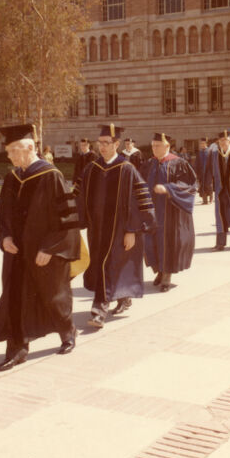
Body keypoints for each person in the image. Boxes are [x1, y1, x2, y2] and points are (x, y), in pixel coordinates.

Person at [0, 125, 80, 371]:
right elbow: (1, 215)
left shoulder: (51, 176)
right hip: (17, 254)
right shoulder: (12, 177)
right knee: (15, 298)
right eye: (8, 152)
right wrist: (4, 237)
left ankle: (68, 332)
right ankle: (17, 348)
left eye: (13, 150)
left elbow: (68, 220)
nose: (10, 156)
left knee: (53, 296)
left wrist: (49, 248)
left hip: (45, 253)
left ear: (29, 148)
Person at [74, 124, 155, 328]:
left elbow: (141, 201)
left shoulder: (127, 169)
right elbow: (78, 195)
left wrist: (132, 230)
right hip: (96, 229)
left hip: (120, 229)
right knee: (104, 264)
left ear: (117, 144)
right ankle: (122, 297)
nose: (102, 147)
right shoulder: (91, 168)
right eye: (99, 143)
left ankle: (99, 308)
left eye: (106, 143)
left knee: (109, 264)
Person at [140, 133, 196, 292]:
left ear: (167, 146)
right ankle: (159, 270)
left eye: (157, 145)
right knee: (152, 242)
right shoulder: (149, 163)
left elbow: (189, 185)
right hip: (152, 212)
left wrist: (168, 189)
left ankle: (166, 276)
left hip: (170, 213)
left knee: (168, 243)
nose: (154, 148)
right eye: (152, 145)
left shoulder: (178, 163)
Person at [195, 138, 212, 204]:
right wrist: (196, 171)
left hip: (208, 171)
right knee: (202, 185)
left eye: (203, 143)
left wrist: (212, 171)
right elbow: (196, 163)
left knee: (208, 184)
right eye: (201, 143)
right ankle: (205, 201)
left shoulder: (210, 151)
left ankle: (210, 195)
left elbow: (212, 162)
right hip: (201, 171)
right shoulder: (199, 152)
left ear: (206, 144)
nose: (202, 145)